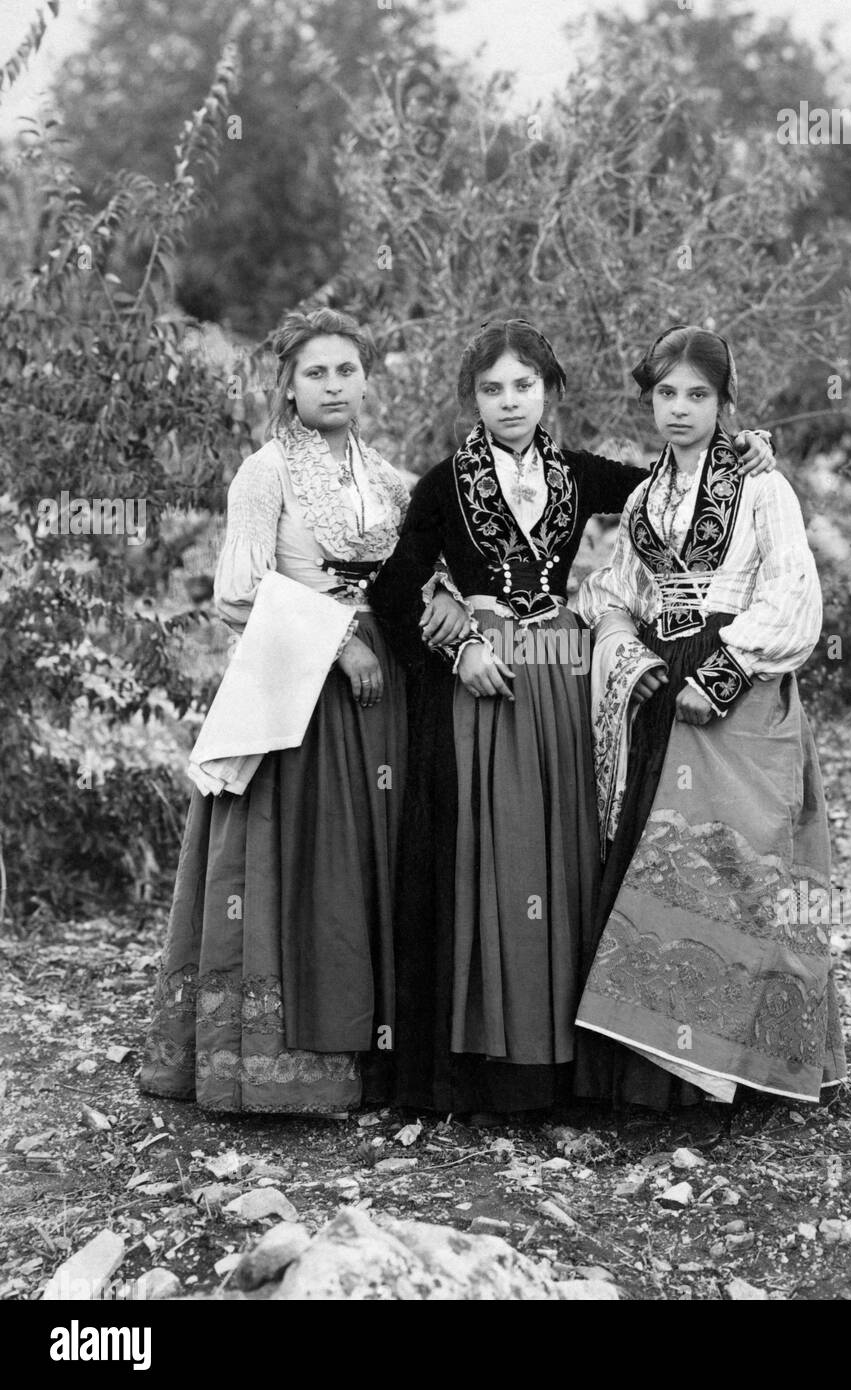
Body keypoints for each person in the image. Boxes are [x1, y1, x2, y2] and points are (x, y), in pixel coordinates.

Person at [368, 318, 775, 1117]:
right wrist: (457, 646)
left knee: (563, 854)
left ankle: (558, 1069)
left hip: (561, 674)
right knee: (489, 853)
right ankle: (481, 1067)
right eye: (492, 389)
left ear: (551, 393)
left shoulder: (583, 475)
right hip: (481, 682)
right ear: (473, 399)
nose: (509, 402)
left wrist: (744, 450)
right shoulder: (442, 485)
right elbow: (393, 589)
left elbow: (673, 488)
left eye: (524, 386)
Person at [139, 307, 468, 1115]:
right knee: (304, 864)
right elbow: (236, 590)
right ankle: (274, 1069)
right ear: (286, 384)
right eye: (315, 372)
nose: (333, 386)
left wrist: (443, 605)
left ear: (366, 379)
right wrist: (335, 641)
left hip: (381, 696)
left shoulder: (388, 477)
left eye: (346, 371)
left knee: (373, 861)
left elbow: (435, 560)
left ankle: (374, 1056)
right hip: (300, 692)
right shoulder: (265, 473)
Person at [574, 325, 847, 1109]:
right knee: (660, 865)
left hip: (734, 687)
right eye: (666, 394)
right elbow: (614, 590)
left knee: (738, 867)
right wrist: (629, 649)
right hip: (664, 687)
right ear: (650, 400)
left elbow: (793, 594)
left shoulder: (762, 487)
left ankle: (739, 1078)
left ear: (727, 403)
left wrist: (725, 671)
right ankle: (654, 1085)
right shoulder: (643, 495)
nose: (680, 409)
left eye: (698, 394)